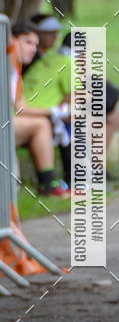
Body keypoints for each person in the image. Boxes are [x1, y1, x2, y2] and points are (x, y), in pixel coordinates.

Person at [9, 22, 69, 198]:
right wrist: (57, 112)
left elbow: (21, 107)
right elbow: (20, 109)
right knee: (41, 125)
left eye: (36, 44)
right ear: (12, 40)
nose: (33, 49)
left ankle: (50, 184)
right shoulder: (7, 62)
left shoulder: (16, 68)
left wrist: (56, 112)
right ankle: (50, 185)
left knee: (43, 123)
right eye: (28, 42)